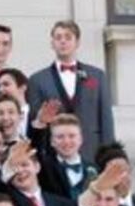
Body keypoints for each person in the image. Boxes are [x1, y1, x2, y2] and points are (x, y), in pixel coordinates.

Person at [26, 20, 115, 166]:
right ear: (52, 43)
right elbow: (35, 122)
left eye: (68, 37)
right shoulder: (37, 80)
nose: (63, 42)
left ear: (77, 42)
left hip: (91, 152)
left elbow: (106, 119)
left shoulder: (96, 76)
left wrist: (110, 156)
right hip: (53, 158)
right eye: (58, 37)